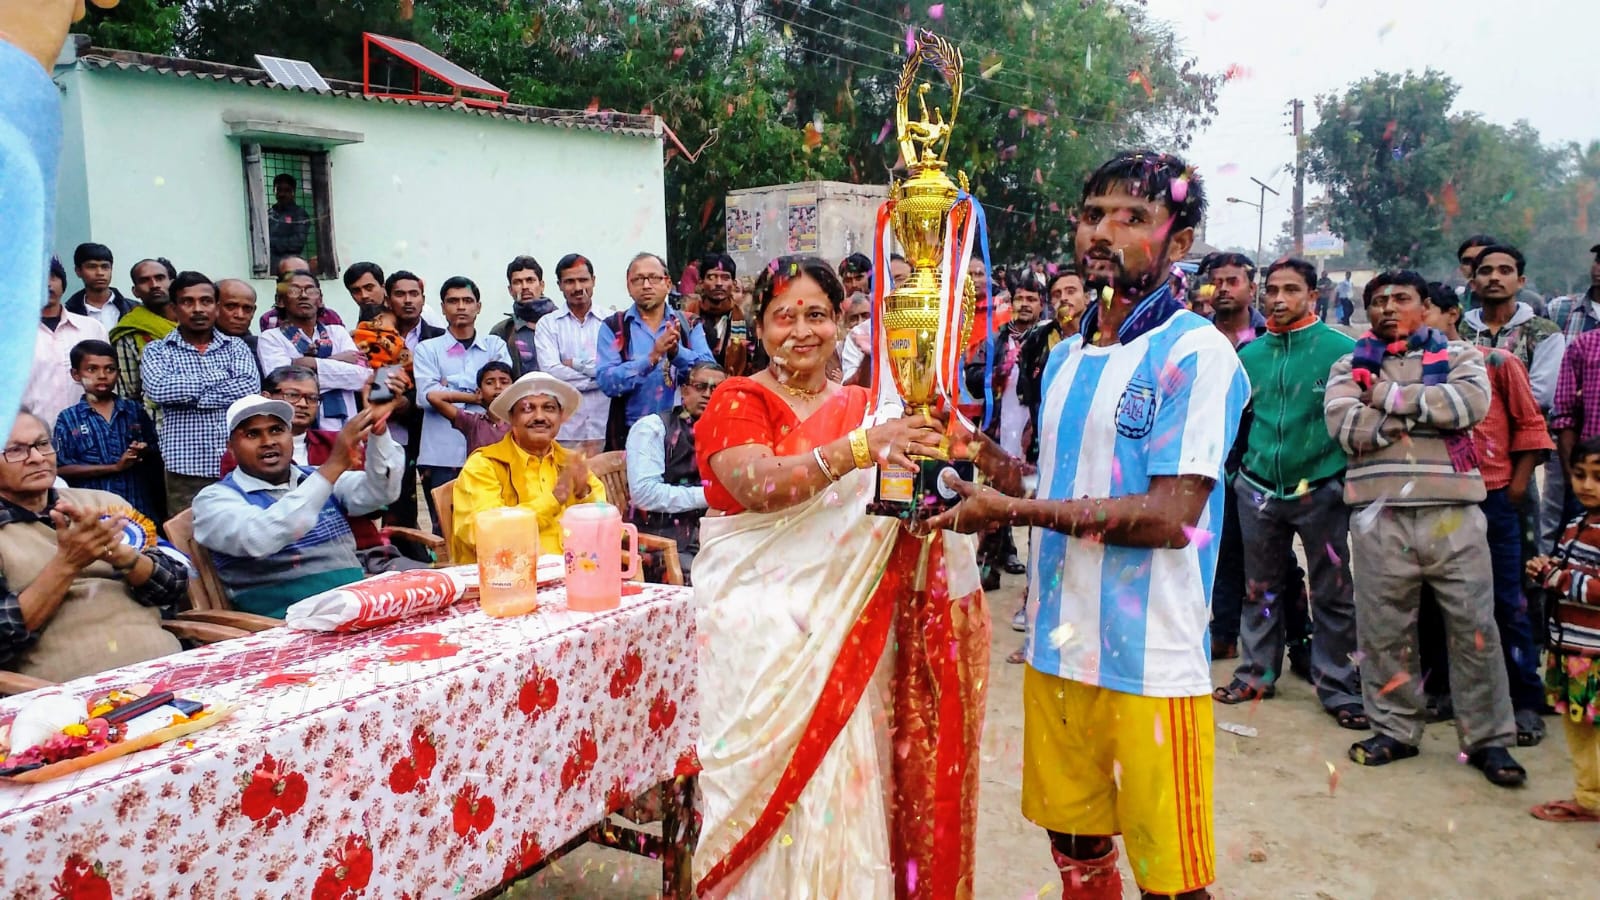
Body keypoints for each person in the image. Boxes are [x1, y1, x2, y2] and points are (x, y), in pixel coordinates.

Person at [920, 152, 1245, 899]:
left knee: (1171, 881)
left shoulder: (1196, 352)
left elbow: (1170, 518)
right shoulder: (1064, 355)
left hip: (1151, 659)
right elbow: (1053, 485)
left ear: (1179, 241)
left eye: (1133, 217)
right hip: (1059, 646)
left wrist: (1010, 512)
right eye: (1093, 214)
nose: (1103, 232)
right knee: (1075, 848)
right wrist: (976, 450)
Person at [691, 254, 988, 899]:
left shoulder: (866, 406)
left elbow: (895, 505)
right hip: (761, 627)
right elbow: (758, 484)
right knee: (763, 787)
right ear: (759, 328)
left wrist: (939, 463)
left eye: (817, 315)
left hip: (845, 626)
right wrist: (859, 449)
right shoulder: (738, 398)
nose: (802, 331)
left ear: (840, 323)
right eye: (784, 317)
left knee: (842, 774)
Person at [1324, 269, 1524, 787]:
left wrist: (1386, 399)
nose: (1389, 307)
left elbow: (1468, 406)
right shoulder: (1348, 364)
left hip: (1453, 514)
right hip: (1379, 516)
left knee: (1475, 628)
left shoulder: (1460, 356)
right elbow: (1346, 427)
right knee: (1384, 630)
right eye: (1379, 300)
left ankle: (1488, 740)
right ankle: (1394, 729)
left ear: (1425, 306)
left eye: (1402, 298)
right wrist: (1421, 409)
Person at [1213, 258, 1364, 728]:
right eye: (1273, 290)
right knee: (1259, 587)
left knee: (1332, 590)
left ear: (1313, 296)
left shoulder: (1342, 351)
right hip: (1258, 488)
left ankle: (1339, 685)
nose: (1279, 299)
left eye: (1291, 290)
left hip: (1321, 487)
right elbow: (1234, 419)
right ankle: (1256, 674)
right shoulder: (1250, 356)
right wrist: (1238, 476)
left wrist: (1340, 479)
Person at [1421, 285, 1552, 745]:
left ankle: (1524, 699)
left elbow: (1531, 428)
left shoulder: (1496, 362)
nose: (1414, 318)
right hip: (1436, 499)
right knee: (1433, 600)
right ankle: (1442, 689)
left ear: (1451, 314)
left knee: (1504, 600)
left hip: (1491, 497)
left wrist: (1514, 488)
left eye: (1425, 309)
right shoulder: (1409, 370)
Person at [0, 409, 185, 683]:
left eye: (42, 444)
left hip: (166, 668)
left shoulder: (104, 503)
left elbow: (175, 585)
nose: (37, 458)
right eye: (15, 450)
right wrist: (67, 564)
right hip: (69, 692)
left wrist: (123, 557)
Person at [195, 396, 401, 617]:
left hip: (355, 608)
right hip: (285, 625)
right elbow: (258, 538)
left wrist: (378, 431)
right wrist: (334, 465)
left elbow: (381, 493)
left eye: (276, 430)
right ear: (231, 448)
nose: (268, 441)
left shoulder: (314, 477)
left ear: (291, 437)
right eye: (252, 434)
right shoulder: (213, 499)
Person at [220, 365, 423, 575]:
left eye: (312, 398)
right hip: (302, 564)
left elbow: (375, 502)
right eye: (292, 395)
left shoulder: (336, 441)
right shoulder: (243, 456)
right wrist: (334, 467)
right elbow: (268, 521)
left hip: (369, 554)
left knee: (438, 582)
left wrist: (377, 423)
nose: (303, 404)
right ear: (266, 397)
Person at [449, 372, 605, 564]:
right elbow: (484, 533)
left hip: (573, 572)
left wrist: (584, 494)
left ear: (560, 417)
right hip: (505, 577)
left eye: (548, 408)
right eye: (527, 409)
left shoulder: (570, 462)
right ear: (511, 418)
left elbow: (605, 522)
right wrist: (553, 500)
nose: (539, 417)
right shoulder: (483, 465)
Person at [140, 271, 261, 515]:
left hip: (237, 462)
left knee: (242, 528)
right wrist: (221, 376)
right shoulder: (157, 350)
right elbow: (160, 389)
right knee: (188, 533)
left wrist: (190, 396)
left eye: (206, 301)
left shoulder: (236, 346)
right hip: (185, 468)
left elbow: (249, 388)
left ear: (216, 306)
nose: (198, 309)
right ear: (174, 308)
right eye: (188, 302)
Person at [1526, 436, 1600, 828]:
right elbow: (1567, 573)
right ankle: (1590, 798)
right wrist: (1545, 569)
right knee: (1579, 728)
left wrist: (1558, 578)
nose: (1587, 485)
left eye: (1598, 477)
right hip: (1572, 650)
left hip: (1595, 655)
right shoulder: (1575, 525)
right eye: (1579, 474)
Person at [964, 269, 1044, 590]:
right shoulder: (995, 340)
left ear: (1041, 304)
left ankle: (1035, 581)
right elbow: (972, 374)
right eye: (1019, 298)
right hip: (998, 433)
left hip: (1035, 439)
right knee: (991, 503)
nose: (1024, 304)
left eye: (1031, 299)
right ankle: (989, 567)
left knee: (1037, 507)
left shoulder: (1051, 340)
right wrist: (995, 373)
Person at [414, 276, 511, 527]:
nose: (461, 306)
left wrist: (450, 385)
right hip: (441, 454)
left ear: (478, 307)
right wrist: (476, 395)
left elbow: (503, 393)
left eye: (467, 301)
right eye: (453, 301)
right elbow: (425, 395)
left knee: (495, 523)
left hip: (491, 451)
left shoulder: (495, 345)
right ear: (443, 307)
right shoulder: (427, 349)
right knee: (445, 528)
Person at [596, 252, 712, 449]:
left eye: (654, 278)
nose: (646, 285)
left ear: (668, 283)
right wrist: (651, 357)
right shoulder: (614, 327)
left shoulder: (689, 323)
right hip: (631, 436)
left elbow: (710, 372)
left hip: (685, 435)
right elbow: (608, 382)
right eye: (638, 279)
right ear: (628, 286)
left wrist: (677, 354)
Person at [626, 361, 723, 583]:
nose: (708, 395)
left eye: (717, 390)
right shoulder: (652, 427)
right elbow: (644, 494)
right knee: (712, 580)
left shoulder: (725, 431)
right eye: (701, 387)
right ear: (684, 391)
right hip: (659, 539)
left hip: (712, 534)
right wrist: (710, 496)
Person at [51, 340, 161, 524]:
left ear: (118, 372)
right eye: (92, 369)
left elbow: (155, 451)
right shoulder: (69, 419)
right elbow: (61, 468)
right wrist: (114, 467)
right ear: (76, 374)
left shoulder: (134, 411)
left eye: (110, 369)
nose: (102, 376)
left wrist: (142, 451)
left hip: (138, 507)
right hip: (93, 513)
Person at [256, 271, 369, 431]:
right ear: (280, 300)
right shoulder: (271, 338)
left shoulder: (337, 332)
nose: (303, 295)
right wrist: (337, 362)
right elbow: (284, 382)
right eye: (294, 290)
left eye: (310, 290)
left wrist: (309, 363)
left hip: (346, 429)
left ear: (320, 300)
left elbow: (363, 377)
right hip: (297, 432)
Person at [1458, 244, 1565, 411]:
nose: (1494, 277)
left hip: (1523, 425)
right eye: (1485, 271)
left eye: (1505, 271)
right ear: (1473, 284)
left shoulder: (1545, 332)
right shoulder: (1458, 331)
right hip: (1465, 426)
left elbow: (1541, 396)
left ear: (1521, 282)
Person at [381, 270, 444, 534]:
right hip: (394, 430)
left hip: (433, 429)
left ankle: (445, 553)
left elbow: (443, 385)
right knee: (398, 508)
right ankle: (403, 553)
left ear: (423, 299)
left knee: (441, 506)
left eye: (414, 294)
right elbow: (379, 382)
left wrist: (408, 400)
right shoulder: (378, 337)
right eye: (400, 294)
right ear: (388, 300)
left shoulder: (440, 337)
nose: (408, 300)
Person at [533, 254, 608, 458]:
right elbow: (551, 372)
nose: (577, 287)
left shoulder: (611, 321)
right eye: (570, 281)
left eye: (583, 280)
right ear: (559, 285)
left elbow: (616, 369)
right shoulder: (548, 325)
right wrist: (600, 378)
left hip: (606, 426)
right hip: (566, 430)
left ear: (593, 280)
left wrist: (574, 365)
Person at [26, 257, 109, 427]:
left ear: (63, 283)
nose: (47, 284)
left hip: (88, 432)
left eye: (53, 277)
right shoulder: (12, 335)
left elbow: (108, 381)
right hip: (32, 434)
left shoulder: (91, 328)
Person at [109, 257, 179, 408]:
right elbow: (128, 395)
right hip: (157, 419)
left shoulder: (197, 324)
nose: (154, 285)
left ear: (173, 284)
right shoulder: (130, 332)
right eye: (144, 281)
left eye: (160, 278)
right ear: (135, 291)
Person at [428, 360, 513, 454]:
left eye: (504, 382)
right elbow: (433, 397)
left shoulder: (518, 422)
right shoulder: (473, 422)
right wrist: (475, 398)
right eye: (489, 383)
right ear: (479, 391)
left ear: (513, 388)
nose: (497, 386)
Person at [491, 255, 556, 378]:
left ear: (542, 285)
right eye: (518, 282)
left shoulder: (562, 322)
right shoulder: (503, 332)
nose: (525, 287)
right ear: (510, 290)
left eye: (530, 280)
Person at [1457, 233, 1547, 315]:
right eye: (1467, 261)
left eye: (1481, 258)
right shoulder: (1456, 302)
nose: (1474, 266)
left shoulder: (1531, 302)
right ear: (1461, 268)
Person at [694, 253, 751, 376]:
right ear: (701, 282)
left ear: (733, 283)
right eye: (712, 277)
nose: (719, 283)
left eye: (725, 278)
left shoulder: (746, 320)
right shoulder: (688, 317)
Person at [65, 242, 135, 332]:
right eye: (92, 267)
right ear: (78, 271)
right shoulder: (68, 314)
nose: (100, 273)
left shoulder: (134, 309)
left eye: (105, 267)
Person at [214, 278, 263, 381]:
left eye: (247, 308)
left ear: (253, 311)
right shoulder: (192, 345)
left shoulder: (263, 348)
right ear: (214, 307)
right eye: (231, 306)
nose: (240, 315)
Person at [268, 173, 311, 272]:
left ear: (293, 192)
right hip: (270, 266)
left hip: (290, 266)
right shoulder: (270, 213)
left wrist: (270, 242)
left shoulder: (299, 214)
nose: (282, 194)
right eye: (279, 190)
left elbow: (297, 242)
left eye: (286, 190)